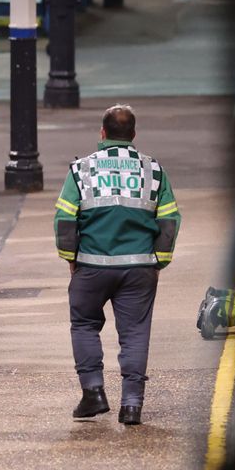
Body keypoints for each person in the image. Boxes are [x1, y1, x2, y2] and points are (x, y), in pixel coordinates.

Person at [54, 104, 181, 425]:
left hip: (91, 266)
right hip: (139, 267)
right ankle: (132, 405)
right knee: (135, 333)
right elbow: (169, 221)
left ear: (102, 133)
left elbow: (65, 219)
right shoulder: (154, 170)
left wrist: (71, 258)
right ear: (133, 135)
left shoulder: (81, 170)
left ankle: (93, 393)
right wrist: (158, 262)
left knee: (84, 325)